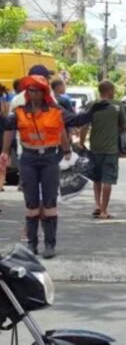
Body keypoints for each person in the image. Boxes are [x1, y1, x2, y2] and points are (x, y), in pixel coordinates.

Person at [0, 76, 72, 259]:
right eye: (29, 90)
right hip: (29, 158)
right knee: (31, 203)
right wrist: (5, 152)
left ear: (44, 92)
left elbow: (61, 131)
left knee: (49, 202)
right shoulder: (19, 111)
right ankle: (32, 244)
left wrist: (66, 150)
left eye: (36, 90)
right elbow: (9, 130)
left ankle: (50, 244)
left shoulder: (54, 111)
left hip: (48, 158)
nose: (32, 94)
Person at [78, 81, 126, 220]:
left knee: (96, 178)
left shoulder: (92, 105)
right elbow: (124, 125)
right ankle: (104, 210)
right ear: (110, 90)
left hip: (95, 147)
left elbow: (84, 126)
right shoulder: (117, 105)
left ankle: (97, 205)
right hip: (111, 149)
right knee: (108, 180)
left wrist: (81, 143)